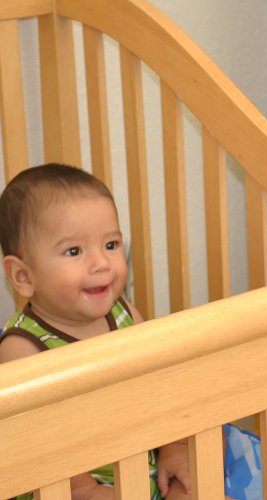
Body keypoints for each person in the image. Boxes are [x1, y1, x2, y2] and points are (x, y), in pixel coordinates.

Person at [0, 163, 196, 500]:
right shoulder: (23, 348)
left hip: (141, 465)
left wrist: (173, 447)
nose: (101, 263)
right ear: (23, 276)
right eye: (74, 251)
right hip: (65, 484)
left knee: (206, 433)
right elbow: (34, 444)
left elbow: (157, 384)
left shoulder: (123, 313)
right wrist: (86, 490)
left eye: (111, 244)